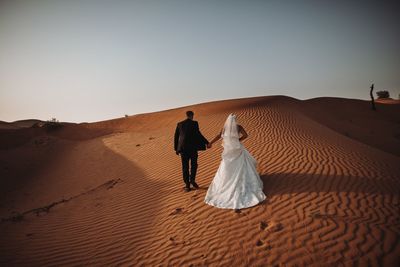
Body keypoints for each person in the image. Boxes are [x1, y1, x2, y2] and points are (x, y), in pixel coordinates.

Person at [204, 114, 266, 209]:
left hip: (228, 150)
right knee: (241, 164)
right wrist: (238, 140)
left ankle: (227, 182)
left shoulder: (225, 128)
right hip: (237, 148)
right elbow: (246, 135)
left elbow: (218, 136)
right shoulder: (239, 127)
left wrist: (210, 143)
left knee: (227, 165)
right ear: (235, 120)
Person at [174, 111, 209, 192]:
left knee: (185, 167)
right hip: (192, 148)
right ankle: (192, 179)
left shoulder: (179, 124)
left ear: (186, 115)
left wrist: (176, 149)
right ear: (192, 115)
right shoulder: (194, 123)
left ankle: (187, 185)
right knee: (194, 165)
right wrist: (206, 142)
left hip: (182, 149)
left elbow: (176, 137)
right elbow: (198, 134)